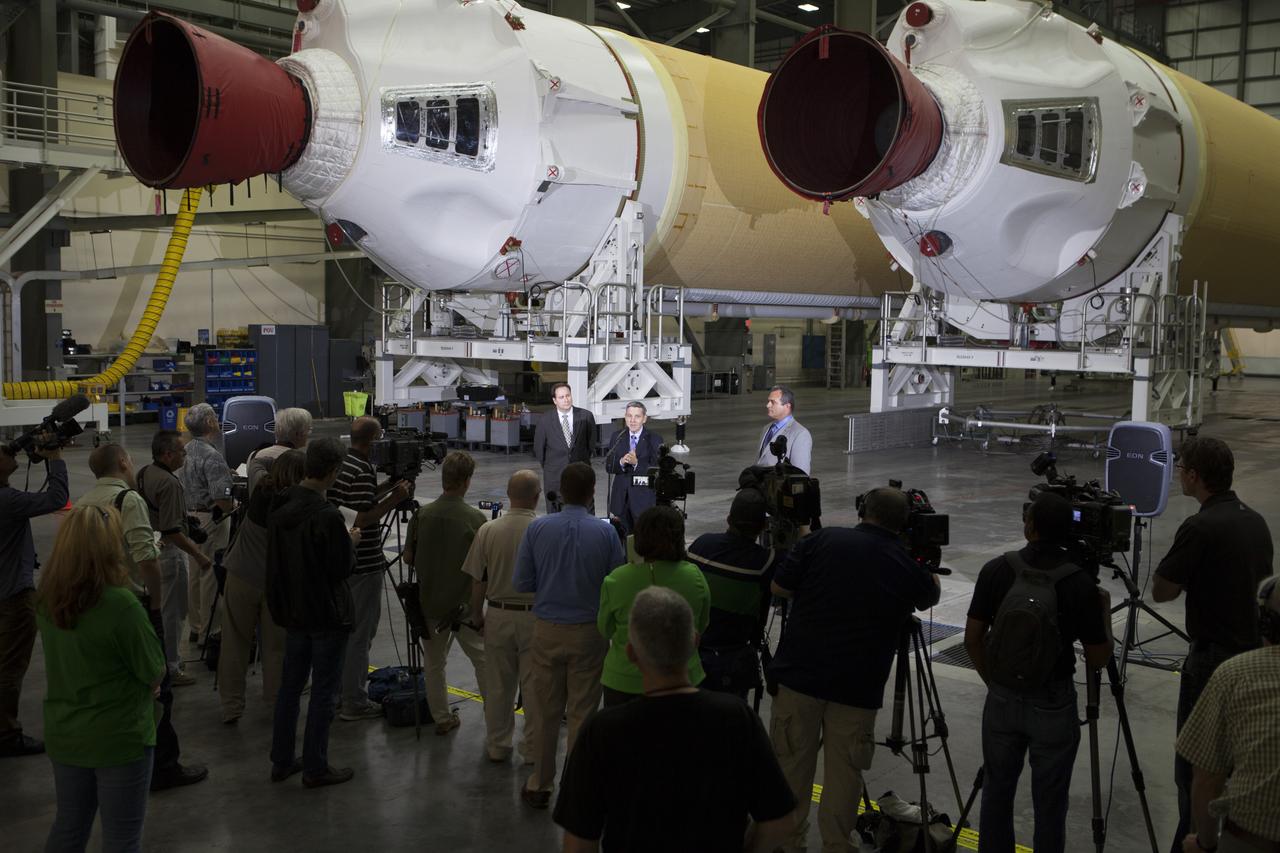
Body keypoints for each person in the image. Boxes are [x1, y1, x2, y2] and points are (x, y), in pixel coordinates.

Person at [554, 586, 797, 853]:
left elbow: (578, 844)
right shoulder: (737, 719)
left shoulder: (602, 731)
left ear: (632, 653)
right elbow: (780, 821)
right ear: (694, 642)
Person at [767, 487, 940, 853]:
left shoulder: (821, 540)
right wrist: (925, 563)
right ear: (902, 523)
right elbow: (928, 596)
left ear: (863, 511)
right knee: (845, 776)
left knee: (792, 768)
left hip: (800, 677)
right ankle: (836, 845)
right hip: (857, 688)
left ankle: (787, 845)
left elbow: (780, 586)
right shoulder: (901, 561)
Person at [963, 493, 1114, 853]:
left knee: (997, 792)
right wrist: (1103, 612)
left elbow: (973, 640)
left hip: (1001, 698)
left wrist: (996, 683)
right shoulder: (1078, 583)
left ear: (1029, 527)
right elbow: (1097, 658)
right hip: (1052, 702)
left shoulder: (998, 569)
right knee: (1050, 804)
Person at [1151, 436, 1274, 853]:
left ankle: (1194, 840)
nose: (1179, 473)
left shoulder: (1200, 526)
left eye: (1182, 466)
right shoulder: (1254, 520)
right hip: (1253, 655)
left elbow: (1162, 590)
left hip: (1211, 662)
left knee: (1195, 768)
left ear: (1194, 476)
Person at [36, 505, 166, 853]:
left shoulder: (48, 599)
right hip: (119, 737)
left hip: (65, 731)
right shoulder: (120, 605)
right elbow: (154, 670)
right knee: (122, 838)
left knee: (69, 826)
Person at [78, 444, 207, 791]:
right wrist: (154, 604)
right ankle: (164, 768)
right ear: (122, 462)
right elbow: (146, 558)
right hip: (132, 601)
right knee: (158, 687)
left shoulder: (85, 502)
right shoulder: (128, 500)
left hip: (97, 604)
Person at [514, 462, 625, 809]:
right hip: (589, 633)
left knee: (546, 711)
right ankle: (577, 787)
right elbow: (616, 583)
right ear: (593, 493)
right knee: (582, 712)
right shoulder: (606, 533)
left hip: (546, 630)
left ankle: (539, 783)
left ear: (560, 492)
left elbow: (522, 583)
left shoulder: (537, 529)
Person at [265, 437, 358, 788]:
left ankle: (282, 758)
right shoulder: (327, 516)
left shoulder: (280, 507)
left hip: (293, 612)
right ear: (333, 472)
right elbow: (340, 569)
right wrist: (351, 542)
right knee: (323, 692)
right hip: (325, 614)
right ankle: (316, 766)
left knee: (290, 689)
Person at [1175, 575, 1280, 853]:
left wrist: (1204, 844)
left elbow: (1207, 780)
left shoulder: (1236, 675)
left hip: (1251, 841)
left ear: (1264, 622)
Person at [328, 417, 412, 722]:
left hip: (344, 562)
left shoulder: (348, 464)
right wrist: (395, 500)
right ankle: (354, 701)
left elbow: (356, 502)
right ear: (373, 440)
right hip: (362, 564)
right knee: (360, 635)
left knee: (347, 632)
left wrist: (389, 486)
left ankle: (338, 694)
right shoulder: (361, 469)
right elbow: (362, 518)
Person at [403, 451, 488, 736]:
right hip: (463, 606)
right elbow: (483, 565)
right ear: (466, 482)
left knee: (434, 663)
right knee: (483, 660)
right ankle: (495, 715)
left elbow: (408, 557)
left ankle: (441, 718)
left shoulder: (421, 515)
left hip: (430, 604)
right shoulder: (474, 518)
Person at [216, 449, 304, 725]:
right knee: (276, 648)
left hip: (242, 575)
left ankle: (232, 706)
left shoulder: (260, 491)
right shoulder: (299, 508)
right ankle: (276, 703)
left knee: (234, 642)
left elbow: (256, 460)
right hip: (277, 584)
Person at [463, 469, 542, 764]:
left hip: (497, 613)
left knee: (498, 687)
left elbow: (477, 580)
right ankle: (533, 749)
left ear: (508, 496)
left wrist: (476, 614)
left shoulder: (488, 530)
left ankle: (498, 745)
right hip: (535, 617)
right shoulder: (543, 530)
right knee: (535, 688)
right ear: (537, 497)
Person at [597, 505, 710, 707]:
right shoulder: (695, 576)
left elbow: (605, 628)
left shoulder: (616, 579)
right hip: (683, 677)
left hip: (624, 679)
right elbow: (701, 626)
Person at [0, 440, 67, 758]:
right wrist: (54, 459)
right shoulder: (7, 501)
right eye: (3, 452)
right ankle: (6, 734)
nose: (8, 451)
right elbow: (56, 498)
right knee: (10, 667)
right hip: (13, 596)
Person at [688, 488, 778, 700]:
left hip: (694, 654)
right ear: (763, 526)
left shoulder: (701, 545)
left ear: (729, 519)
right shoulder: (764, 562)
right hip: (734, 659)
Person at [136, 430, 211, 686]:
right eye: (181, 451)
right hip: (170, 553)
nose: (185, 455)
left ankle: (160, 662)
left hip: (152, 548)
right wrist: (198, 555)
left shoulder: (145, 473)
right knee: (174, 614)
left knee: (158, 611)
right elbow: (171, 531)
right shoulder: (169, 483)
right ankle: (172, 667)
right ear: (168, 455)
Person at [178, 403, 235, 647]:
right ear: (211, 424)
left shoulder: (186, 450)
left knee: (195, 574)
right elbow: (222, 499)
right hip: (210, 519)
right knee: (211, 574)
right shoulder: (213, 456)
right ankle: (210, 633)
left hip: (189, 517)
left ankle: (196, 626)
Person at [532, 383, 596, 512]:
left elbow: (591, 443)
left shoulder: (586, 416)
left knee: (586, 510)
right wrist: (552, 466)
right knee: (554, 514)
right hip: (554, 476)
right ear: (555, 400)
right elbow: (539, 449)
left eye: (568, 395)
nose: (566, 399)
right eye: (561, 397)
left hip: (581, 474)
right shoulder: (545, 420)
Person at [603, 401, 662, 535]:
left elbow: (657, 469)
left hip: (642, 500)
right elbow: (609, 466)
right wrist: (621, 462)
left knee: (643, 538)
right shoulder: (617, 436)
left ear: (644, 418)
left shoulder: (654, 439)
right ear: (625, 417)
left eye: (637, 416)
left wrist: (636, 463)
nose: (632, 420)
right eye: (629, 416)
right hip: (621, 499)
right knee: (622, 539)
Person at [246, 407, 313, 495]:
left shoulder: (254, 455)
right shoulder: (300, 461)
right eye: (309, 429)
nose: (309, 434)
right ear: (298, 434)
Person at [754, 385, 812, 475]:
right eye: (768, 401)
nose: (767, 405)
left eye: (773, 402)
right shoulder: (766, 428)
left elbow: (801, 475)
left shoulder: (800, 434)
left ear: (787, 406)